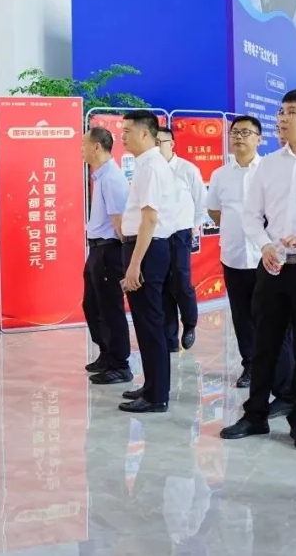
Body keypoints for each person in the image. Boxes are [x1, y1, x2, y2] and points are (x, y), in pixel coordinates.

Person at [221, 89, 296, 452]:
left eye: (290, 112)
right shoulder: (268, 165)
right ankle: (255, 415)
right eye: (280, 112)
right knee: (264, 344)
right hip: (272, 266)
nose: (281, 118)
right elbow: (251, 215)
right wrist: (265, 245)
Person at [207, 116, 293, 396]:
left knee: (273, 317)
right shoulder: (220, 175)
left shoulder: (269, 170)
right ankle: (250, 365)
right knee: (242, 316)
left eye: (246, 132)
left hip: (266, 257)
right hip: (233, 256)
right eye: (235, 133)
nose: (239, 137)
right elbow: (214, 211)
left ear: (259, 138)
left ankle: (281, 369)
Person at [118, 109, 180, 413]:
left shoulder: (152, 168)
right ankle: (153, 384)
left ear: (145, 133)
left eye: (127, 131)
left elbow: (150, 219)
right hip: (145, 247)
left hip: (147, 249)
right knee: (145, 322)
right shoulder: (146, 165)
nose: (122, 136)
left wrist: (134, 265)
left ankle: (157, 396)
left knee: (151, 322)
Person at [82, 126, 133, 385]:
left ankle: (120, 364)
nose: (81, 150)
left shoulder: (112, 178)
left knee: (110, 308)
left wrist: (123, 257)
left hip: (109, 250)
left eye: (84, 145)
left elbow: (120, 223)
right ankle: (106, 353)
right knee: (93, 305)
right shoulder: (100, 176)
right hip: (97, 248)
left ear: (96, 146)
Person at [158, 126, 206, 351]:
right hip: (157, 235)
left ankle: (189, 324)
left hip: (180, 233)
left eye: (160, 142)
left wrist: (192, 227)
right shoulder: (149, 171)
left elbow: (201, 202)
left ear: (172, 143)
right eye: (153, 143)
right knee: (162, 285)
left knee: (181, 281)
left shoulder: (187, 169)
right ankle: (170, 339)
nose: (157, 147)